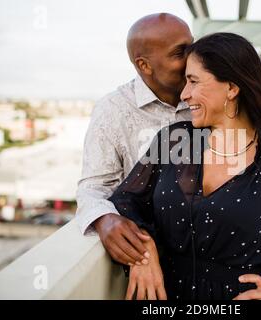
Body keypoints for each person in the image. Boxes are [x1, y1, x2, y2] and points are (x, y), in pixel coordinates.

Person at [108, 32, 261, 300]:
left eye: (193, 81)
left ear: (231, 88)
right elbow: (126, 199)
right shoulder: (174, 141)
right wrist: (143, 253)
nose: (184, 94)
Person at [75, 13, 193, 270]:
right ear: (144, 65)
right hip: (151, 261)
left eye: (192, 46)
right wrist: (104, 219)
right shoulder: (112, 109)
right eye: (179, 52)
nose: (192, 58)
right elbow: (93, 186)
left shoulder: (211, 96)